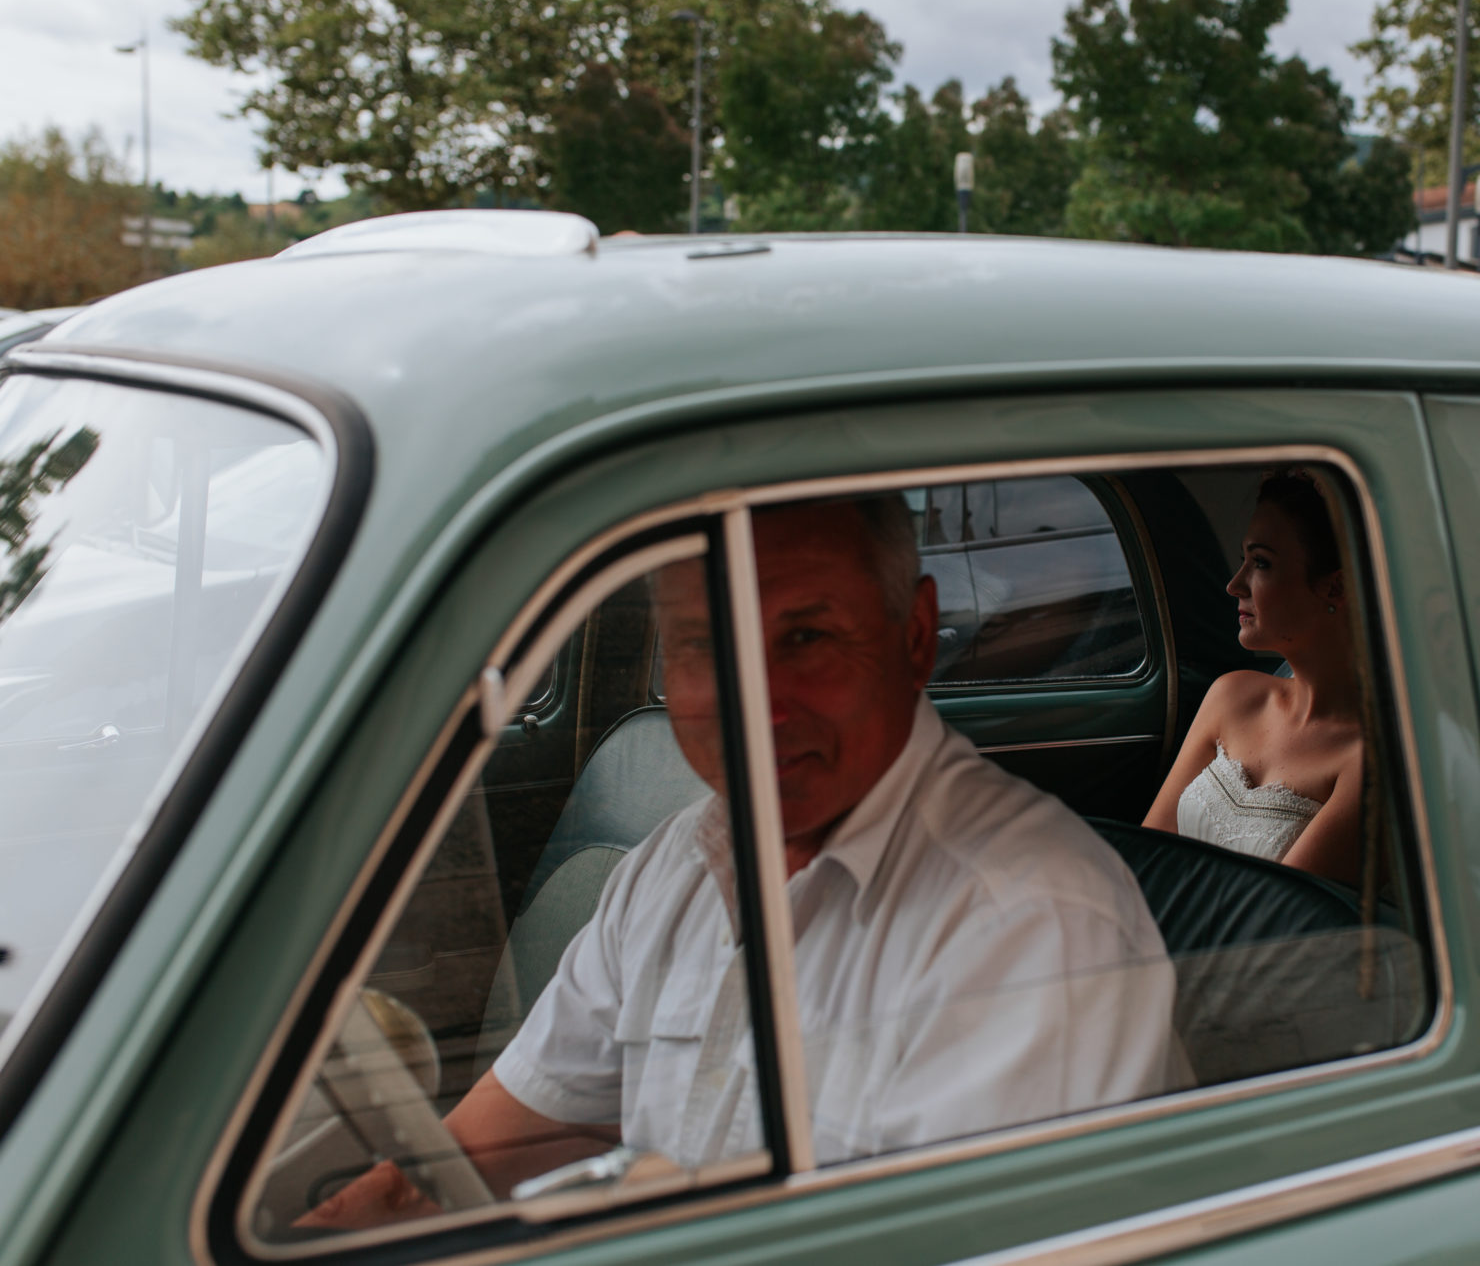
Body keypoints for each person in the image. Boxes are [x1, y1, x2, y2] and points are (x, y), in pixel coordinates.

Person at [306, 496, 1181, 1227]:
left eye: (804, 638)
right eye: (701, 646)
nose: (751, 703)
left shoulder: (1031, 924)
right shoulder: (675, 866)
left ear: (915, 634)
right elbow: (488, 1151)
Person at [1142, 470, 1367, 885]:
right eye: (1243, 559)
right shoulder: (1232, 694)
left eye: (1260, 562)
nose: (1233, 585)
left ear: (1335, 587)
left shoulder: (1367, 759)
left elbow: (1277, 918)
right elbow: (1151, 855)